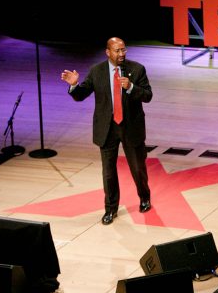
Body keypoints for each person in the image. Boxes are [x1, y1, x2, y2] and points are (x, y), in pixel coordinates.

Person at [60, 37, 153, 225]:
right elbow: (80, 96)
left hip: (130, 127)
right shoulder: (97, 71)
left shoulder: (137, 69)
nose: (121, 54)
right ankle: (110, 209)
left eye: (123, 50)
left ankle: (144, 197)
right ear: (108, 52)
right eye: (117, 51)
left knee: (137, 168)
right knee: (108, 173)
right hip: (107, 128)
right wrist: (74, 85)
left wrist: (131, 87)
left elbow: (148, 95)